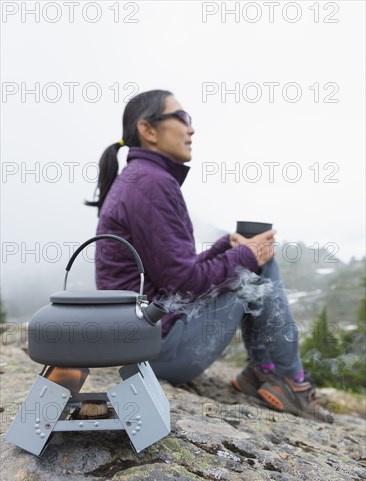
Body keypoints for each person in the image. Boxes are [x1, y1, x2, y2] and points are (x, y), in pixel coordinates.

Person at [86, 89, 333, 423]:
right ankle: (289, 381)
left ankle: (263, 373)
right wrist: (247, 255)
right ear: (148, 130)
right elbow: (184, 284)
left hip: (142, 339)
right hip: (158, 349)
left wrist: (225, 247)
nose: (191, 129)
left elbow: (171, 273)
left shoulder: (139, 178)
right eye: (182, 118)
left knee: (248, 259)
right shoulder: (150, 183)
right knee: (259, 264)